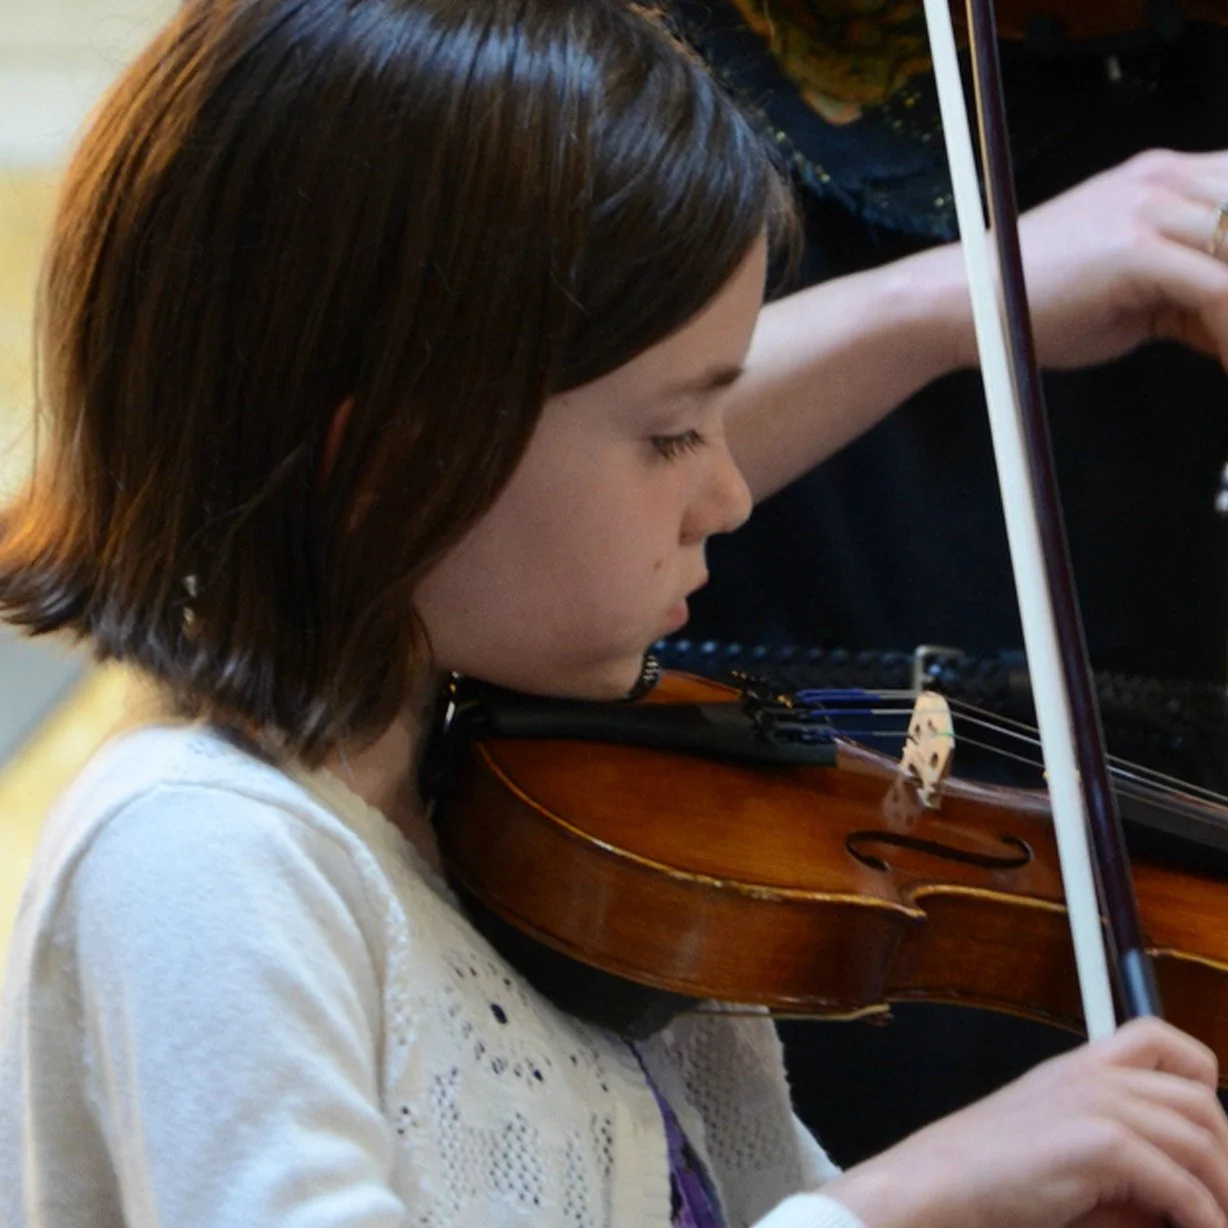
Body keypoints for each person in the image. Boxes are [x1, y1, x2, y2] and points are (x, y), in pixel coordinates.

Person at [3, 1, 1228, 1225]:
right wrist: (913, 1199)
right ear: (382, 452)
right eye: (671, 434)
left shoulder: (563, 844)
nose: (732, 495)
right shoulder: (199, 860)